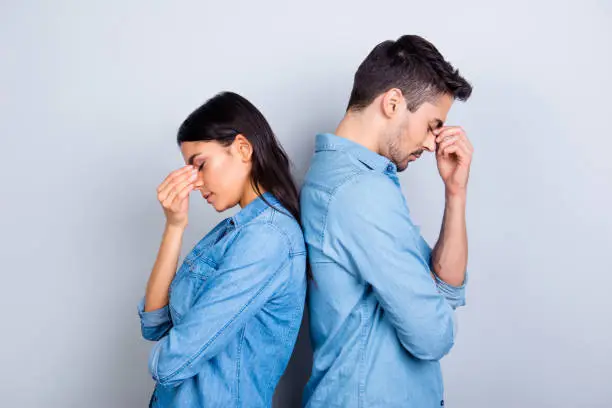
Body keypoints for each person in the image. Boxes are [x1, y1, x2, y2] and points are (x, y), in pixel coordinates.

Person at [300, 35, 473, 407]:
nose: (432, 144)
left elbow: (446, 285)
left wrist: (455, 193)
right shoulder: (359, 193)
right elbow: (433, 335)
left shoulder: (356, 181)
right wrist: (434, 304)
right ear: (393, 103)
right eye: (432, 125)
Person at [137, 91, 307, 407]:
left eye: (200, 165)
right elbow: (154, 323)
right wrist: (174, 226)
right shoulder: (232, 234)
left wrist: (165, 354)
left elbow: (171, 363)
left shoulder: (268, 238)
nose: (196, 182)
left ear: (243, 149)